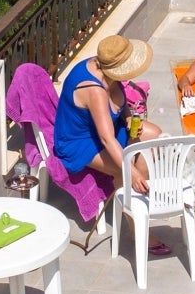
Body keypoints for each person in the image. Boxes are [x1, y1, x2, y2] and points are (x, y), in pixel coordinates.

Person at [54, 34, 160, 196]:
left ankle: (140, 193)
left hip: (108, 127)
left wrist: (129, 117)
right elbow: (107, 139)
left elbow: (119, 104)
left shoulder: (105, 65)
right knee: (123, 172)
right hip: (81, 142)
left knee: (155, 137)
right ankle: (131, 211)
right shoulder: (95, 91)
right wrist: (131, 172)